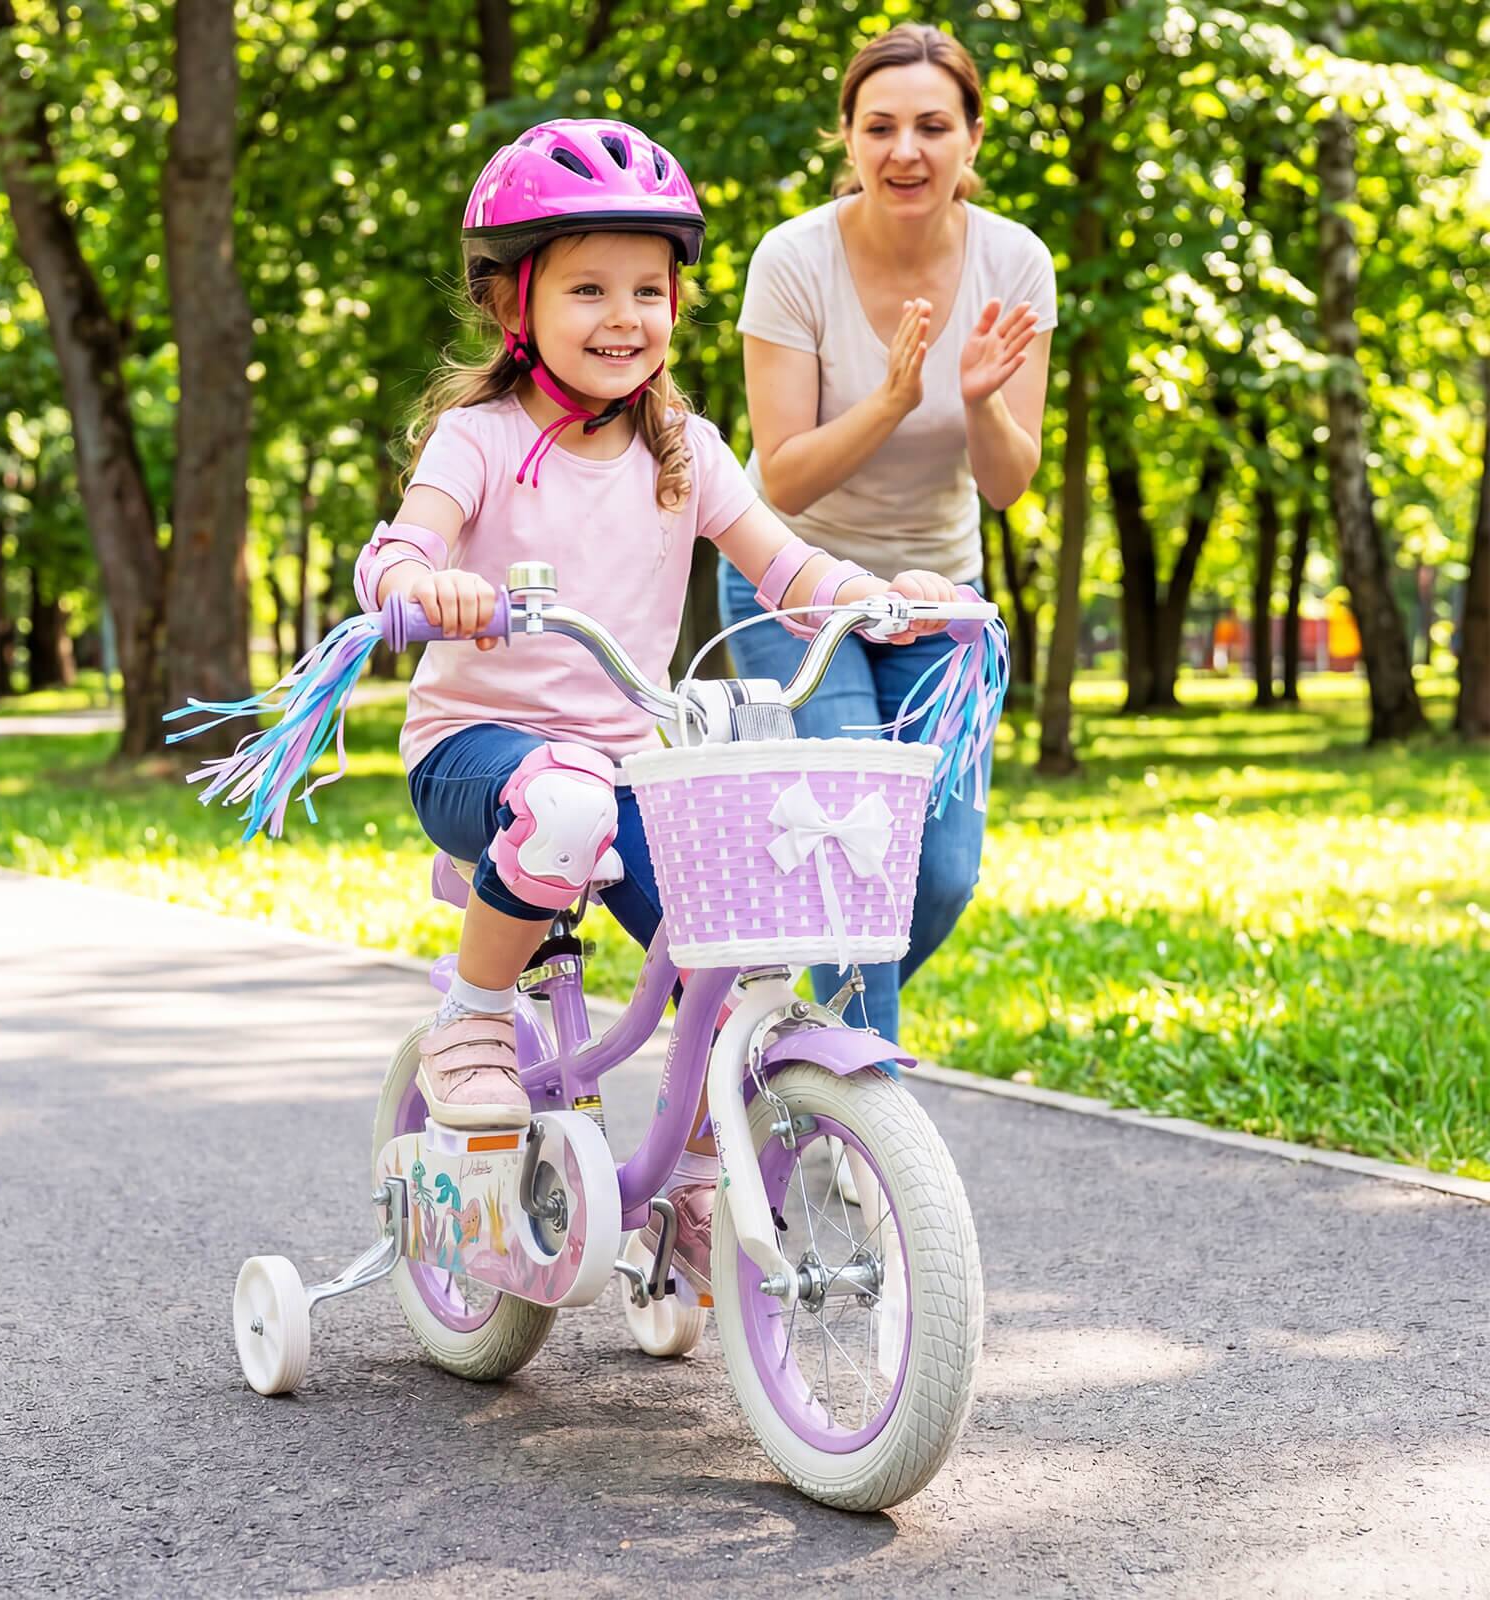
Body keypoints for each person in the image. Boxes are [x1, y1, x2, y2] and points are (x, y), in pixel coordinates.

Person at [354, 118, 963, 1295]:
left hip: (626, 762)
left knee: (726, 936)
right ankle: (477, 1014)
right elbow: (405, 542)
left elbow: (789, 571)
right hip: (478, 755)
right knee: (566, 802)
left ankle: (693, 1171)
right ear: (512, 305)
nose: (624, 315)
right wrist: (417, 583)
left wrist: (883, 599)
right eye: (587, 288)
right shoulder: (476, 440)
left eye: (649, 287)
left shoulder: (683, 447)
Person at [717, 22, 1057, 1048]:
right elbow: (780, 472)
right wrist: (894, 398)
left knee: (942, 868)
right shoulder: (792, 260)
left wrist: (981, 402)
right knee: (856, 846)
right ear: (849, 140)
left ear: (971, 139)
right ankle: (861, 1115)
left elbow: (1005, 485)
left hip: (935, 592)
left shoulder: (1016, 262)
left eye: (930, 125)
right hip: (797, 579)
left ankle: (803, 1029)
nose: (904, 149)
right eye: (880, 127)